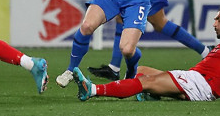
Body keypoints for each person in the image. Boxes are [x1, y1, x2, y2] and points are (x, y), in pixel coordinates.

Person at [73, 11, 220, 102]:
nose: (214, 24)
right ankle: (151, 93)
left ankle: (93, 90)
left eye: (218, 20)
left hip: (202, 85)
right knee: (139, 70)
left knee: (145, 81)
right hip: (195, 78)